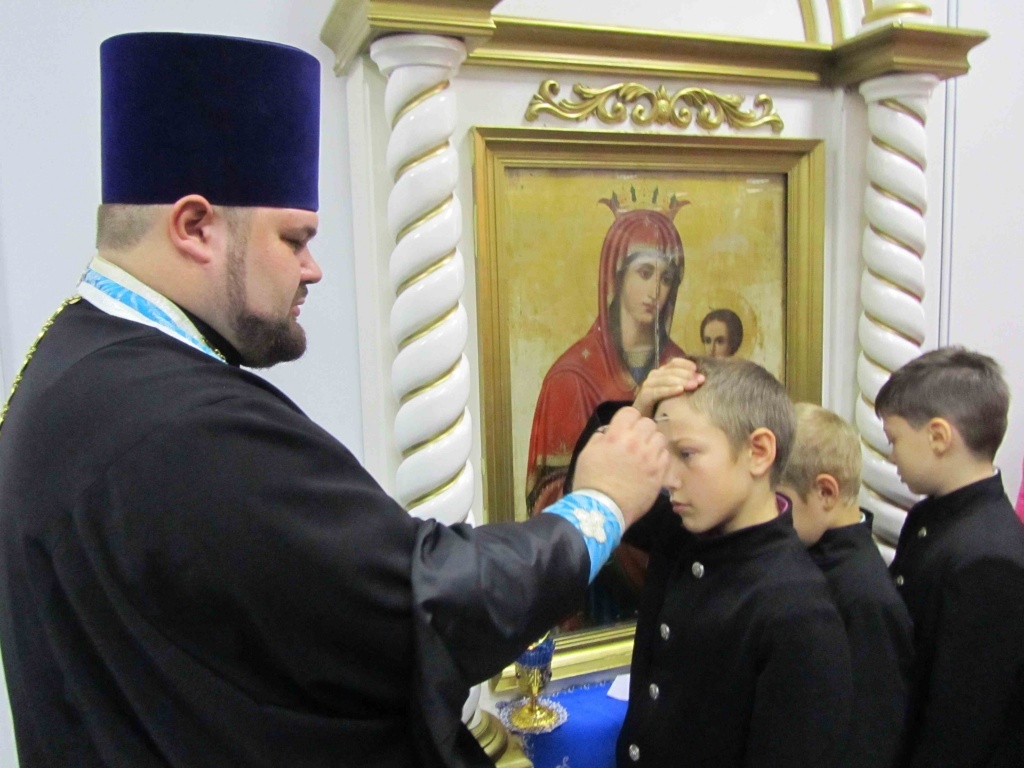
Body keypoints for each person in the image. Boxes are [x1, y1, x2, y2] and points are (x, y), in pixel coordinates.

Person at [0, 33, 674, 768]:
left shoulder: (78, 366)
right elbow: (427, 601)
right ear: (194, 228)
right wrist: (600, 505)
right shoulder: (177, 420)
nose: (313, 268)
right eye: (294, 239)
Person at [605, 357, 853, 767]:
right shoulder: (682, 533)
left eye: (687, 453)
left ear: (759, 452)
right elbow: (602, 494)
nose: (669, 478)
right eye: (665, 455)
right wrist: (635, 413)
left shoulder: (798, 611)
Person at [877, 347, 1024, 767]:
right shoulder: (931, 517)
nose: (891, 455)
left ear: (939, 437)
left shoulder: (989, 559)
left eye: (895, 439)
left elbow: (960, 724)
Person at [525, 197, 688, 516]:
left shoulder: (679, 365)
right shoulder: (570, 378)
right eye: (644, 273)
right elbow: (548, 500)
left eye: (666, 278)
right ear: (617, 277)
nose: (656, 290)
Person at [778, 403, 913, 768]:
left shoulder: (865, 597)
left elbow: (871, 735)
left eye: (779, 502)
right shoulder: (812, 557)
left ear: (826, 492)